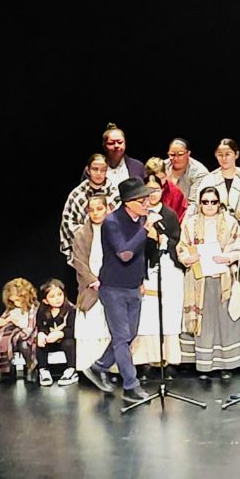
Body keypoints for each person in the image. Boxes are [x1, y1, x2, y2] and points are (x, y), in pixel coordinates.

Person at [81, 178, 160, 402]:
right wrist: (145, 229)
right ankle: (130, 386)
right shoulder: (112, 222)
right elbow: (124, 254)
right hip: (113, 288)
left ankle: (99, 366)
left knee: (129, 334)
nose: (147, 202)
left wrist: (142, 278)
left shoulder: (142, 219)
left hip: (133, 286)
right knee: (121, 337)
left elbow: (141, 256)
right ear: (129, 202)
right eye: (142, 199)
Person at [177, 186, 240, 381]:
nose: (209, 205)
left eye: (213, 202)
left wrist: (227, 257)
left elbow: (239, 248)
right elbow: (181, 247)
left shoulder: (230, 223)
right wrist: (187, 258)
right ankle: (205, 364)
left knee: (225, 321)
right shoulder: (190, 224)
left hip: (223, 278)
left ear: (219, 203)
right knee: (205, 321)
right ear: (200, 204)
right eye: (205, 202)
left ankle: (227, 364)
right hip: (200, 281)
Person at [131, 172, 185, 377]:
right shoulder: (138, 215)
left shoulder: (169, 215)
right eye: (148, 191)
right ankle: (144, 361)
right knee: (147, 316)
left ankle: (168, 361)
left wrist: (159, 237)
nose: (152, 195)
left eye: (156, 190)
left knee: (169, 314)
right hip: (146, 270)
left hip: (168, 268)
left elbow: (176, 241)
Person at [70, 196, 112, 376]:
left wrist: (109, 279)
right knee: (92, 325)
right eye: (92, 210)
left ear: (107, 209)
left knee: (110, 327)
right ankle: (88, 368)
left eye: (99, 209)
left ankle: (108, 369)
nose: (95, 213)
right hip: (90, 286)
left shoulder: (114, 230)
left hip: (112, 283)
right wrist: (93, 280)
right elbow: (78, 261)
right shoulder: (81, 234)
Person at [60, 154, 120, 260]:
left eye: (103, 170)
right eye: (95, 169)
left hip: (111, 249)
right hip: (82, 250)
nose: (99, 173)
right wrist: (85, 239)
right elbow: (68, 222)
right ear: (88, 170)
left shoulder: (115, 194)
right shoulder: (77, 195)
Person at [198, 138, 240, 224]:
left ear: (236, 154)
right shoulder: (209, 180)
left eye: (228, 154)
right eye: (220, 155)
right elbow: (199, 205)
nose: (224, 158)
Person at [35, 280, 77, 388]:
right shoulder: (42, 312)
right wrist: (41, 334)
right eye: (52, 296)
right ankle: (43, 370)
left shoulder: (70, 310)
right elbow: (41, 327)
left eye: (59, 295)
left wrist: (61, 334)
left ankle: (71, 370)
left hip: (64, 340)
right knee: (40, 344)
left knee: (69, 343)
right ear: (45, 300)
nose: (57, 298)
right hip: (50, 341)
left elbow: (72, 329)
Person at [0, 278, 39, 381]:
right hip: (14, 335)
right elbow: (4, 320)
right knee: (2, 340)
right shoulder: (11, 309)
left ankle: (31, 367)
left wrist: (17, 323)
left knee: (24, 343)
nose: (16, 303)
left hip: (29, 334)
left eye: (18, 300)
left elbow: (30, 328)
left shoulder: (34, 309)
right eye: (13, 301)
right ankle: (4, 369)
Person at [165, 138, 210, 208]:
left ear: (188, 154)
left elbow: (194, 204)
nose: (176, 158)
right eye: (172, 154)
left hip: (188, 213)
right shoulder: (162, 167)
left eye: (180, 154)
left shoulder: (199, 172)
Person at [145, 157, 189, 222]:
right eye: (157, 180)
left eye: (162, 178)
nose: (160, 183)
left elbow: (181, 217)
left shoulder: (175, 193)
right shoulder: (139, 193)